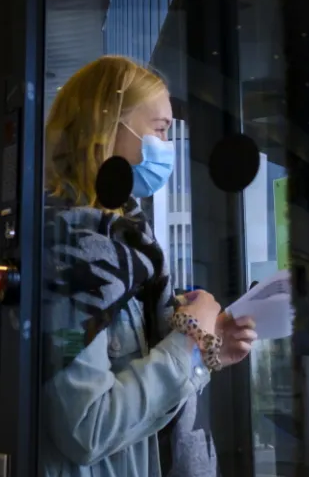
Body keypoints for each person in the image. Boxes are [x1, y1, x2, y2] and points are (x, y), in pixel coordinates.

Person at [33, 55, 256, 476]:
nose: (166, 147)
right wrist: (190, 343)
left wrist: (209, 349)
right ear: (108, 128)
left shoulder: (125, 248)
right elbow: (87, 428)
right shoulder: (66, 257)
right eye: (160, 130)